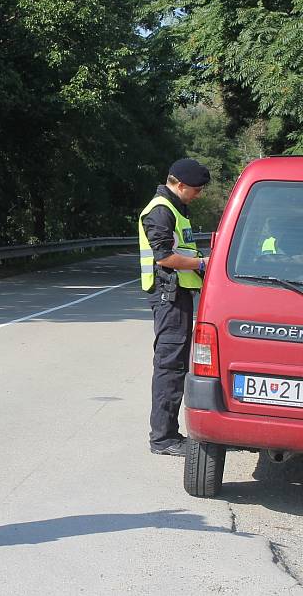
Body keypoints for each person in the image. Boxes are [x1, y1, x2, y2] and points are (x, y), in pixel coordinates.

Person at [138, 158, 210, 456]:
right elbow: (164, 257)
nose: (199, 194)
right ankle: (164, 438)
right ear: (179, 184)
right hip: (168, 295)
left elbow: (184, 249)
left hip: (178, 294)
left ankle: (167, 433)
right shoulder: (160, 210)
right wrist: (203, 263)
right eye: (196, 189)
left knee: (176, 364)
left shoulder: (177, 208)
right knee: (170, 366)